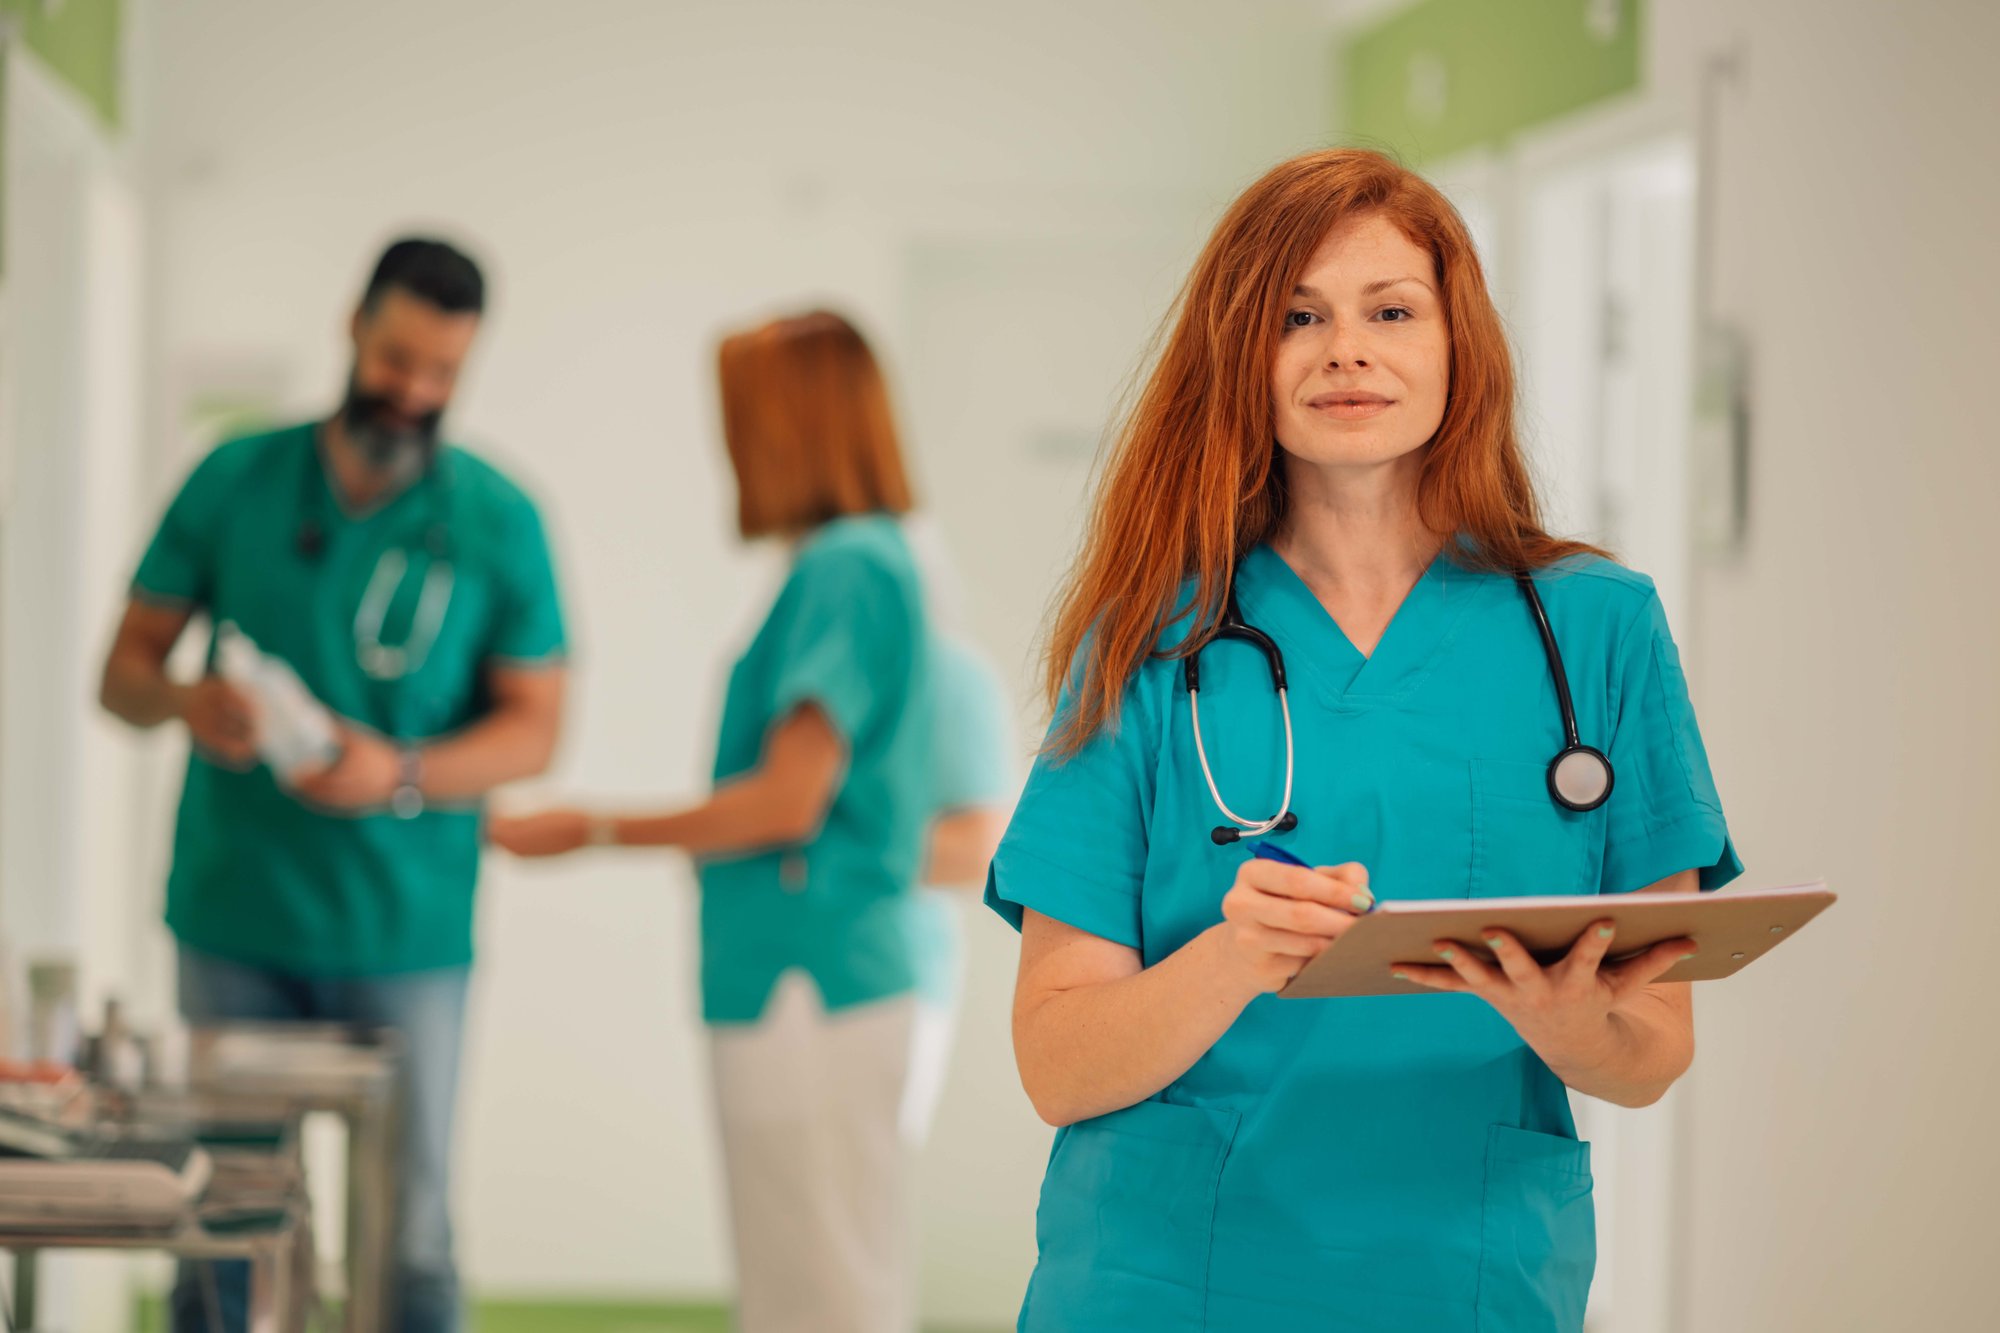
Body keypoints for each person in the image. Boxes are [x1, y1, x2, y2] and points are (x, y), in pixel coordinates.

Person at [985, 148, 1742, 1331]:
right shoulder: (1150, 636)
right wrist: (1230, 959)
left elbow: (1651, 1047)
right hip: (1169, 1280)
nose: (1346, 350)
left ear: (1458, 344)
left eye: (1390, 310)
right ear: (1242, 355)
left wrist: (1569, 1022)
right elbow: (1054, 1062)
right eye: (1298, 316)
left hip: (1463, 1276)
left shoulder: (1596, 630)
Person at [99, 238, 568, 1333]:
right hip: (236, 921)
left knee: (409, 1240)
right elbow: (120, 674)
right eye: (397, 358)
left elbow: (536, 731)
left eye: (443, 374)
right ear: (353, 326)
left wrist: (397, 772)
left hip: (405, 935)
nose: (412, 393)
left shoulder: (499, 519)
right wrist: (185, 703)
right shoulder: (235, 478)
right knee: (217, 1216)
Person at [490, 310, 938, 1333]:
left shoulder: (846, 569)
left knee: (820, 1287)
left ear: (793, 426)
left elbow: (788, 799)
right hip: (809, 973)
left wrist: (591, 830)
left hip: (807, 978)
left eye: (742, 420)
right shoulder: (854, 565)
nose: (730, 448)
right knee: (816, 1273)